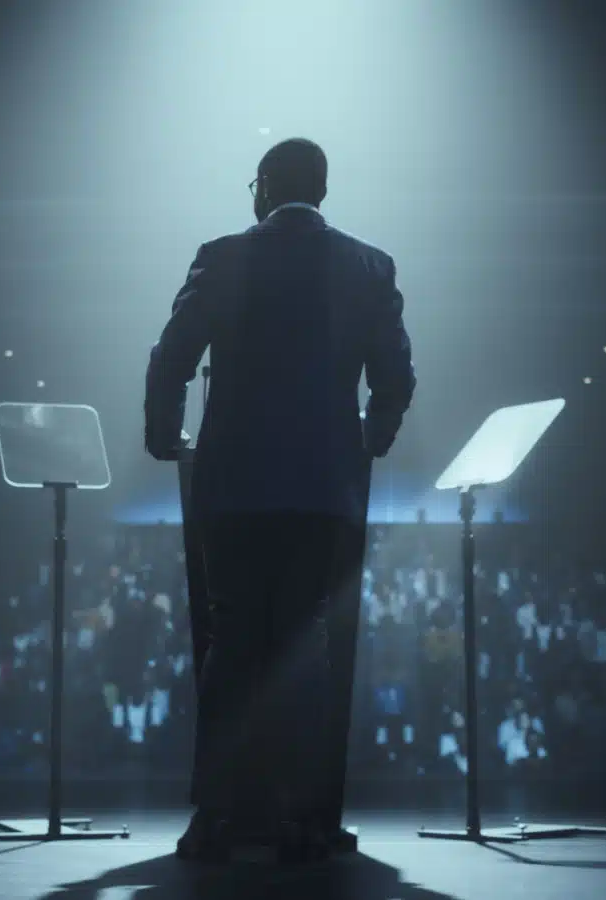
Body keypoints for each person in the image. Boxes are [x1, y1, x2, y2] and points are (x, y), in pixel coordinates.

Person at [145, 137, 415, 863]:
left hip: (233, 485)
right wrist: (371, 437)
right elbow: (396, 375)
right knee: (307, 646)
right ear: (321, 192)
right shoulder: (369, 266)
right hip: (323, 489)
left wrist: (163, 431)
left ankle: (218, 818)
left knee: (232, 645)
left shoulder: (223, 256)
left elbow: (172, 352)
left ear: (263, 188)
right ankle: (307, 820)